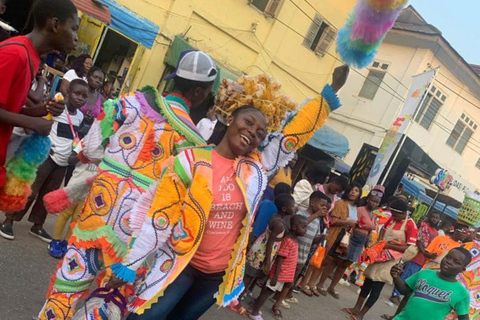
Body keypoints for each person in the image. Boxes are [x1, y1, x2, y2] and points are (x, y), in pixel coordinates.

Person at [104, 65, 349, 319]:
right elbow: (159, 217)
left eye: (259, 133)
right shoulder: (191, 161)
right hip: (180, 264)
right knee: (145, 317)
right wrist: (130, 265)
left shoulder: (257, 167)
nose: (252, 132)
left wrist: (329, 94)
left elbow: (293, 136)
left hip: (218, 275)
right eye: (248, 122)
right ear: (231, 118)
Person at [38, 50, 219, 319]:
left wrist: (115, 166)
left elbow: (91, 149)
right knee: (107, 301)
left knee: (66, 286)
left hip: (96, 213)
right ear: (200, 93)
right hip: (134, 232)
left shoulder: (128, 102)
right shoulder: (192, 142)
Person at [0, 0, 76, 191]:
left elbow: (11, 110)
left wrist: (41, 110)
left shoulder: (30, 56)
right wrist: (33, 123)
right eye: (74, 29)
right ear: (55, 24)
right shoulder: (15, 53)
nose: (76, 38)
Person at [0, 79, 87, 241]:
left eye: (84, 96)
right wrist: (43, 144)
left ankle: (37, 225)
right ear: (68, 93)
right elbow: (41, 123)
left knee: (49, 194)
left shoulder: (80, 116)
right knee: (31, 190)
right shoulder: (58, 107)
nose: (80, 98)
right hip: (48, 155)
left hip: (63, 160)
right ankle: (9, 220)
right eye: (77, 93)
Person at [342, 198, 418, 320]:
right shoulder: (393, 220)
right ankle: (356, 308)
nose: (393, 216)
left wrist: (388, 246)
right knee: (367, 281)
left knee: (377, 286)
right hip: (380, 254)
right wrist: (381, 242)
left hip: (391, 260)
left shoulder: (410, 224)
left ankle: (361, 314)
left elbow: (410, 247)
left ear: (403, 213)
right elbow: (383, 229)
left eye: (396, 214)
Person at [229, 194, 296, 315]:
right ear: (284, 209)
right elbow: (270, 243)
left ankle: (236, 297)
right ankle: (235, 299)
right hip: (263, 252)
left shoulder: (277, 219)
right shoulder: (279, 224)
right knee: (249, 276)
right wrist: (268, 262)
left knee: (250, 275)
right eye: (292, 206)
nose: (294, 208)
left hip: (262, 249)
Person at [302, 182, 367, 297]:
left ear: (359, 194)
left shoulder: (355, 209)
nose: (353, 192)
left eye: (356, 190)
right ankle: (304, 283)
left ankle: (312, 284)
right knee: (319, 259)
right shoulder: (340, 203)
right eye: (352, 189)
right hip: (334, 234)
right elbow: (333, 221)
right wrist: (349, 222)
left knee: (326, 262)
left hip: (344, 237)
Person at [249, 215, 308, 320]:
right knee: (267, 292)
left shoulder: (293, 240)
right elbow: (280, 258)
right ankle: (254, 312)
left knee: (268, 292)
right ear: (294, 227)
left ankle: (254, 308)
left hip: (283, 275)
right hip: (279, 274)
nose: (305, 230)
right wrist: (276, 276)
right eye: (303, 227)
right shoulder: (289, 240)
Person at [390, 247, 471, 320]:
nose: (449, 262)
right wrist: (396, 277)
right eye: (448, 257)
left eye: (456, 262)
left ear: (462, 270)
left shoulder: (462, 293)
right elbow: (405, 290)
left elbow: (464, 318)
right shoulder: (424, 273)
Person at [389, 211, 440, 305]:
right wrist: (425, 252)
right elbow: (419, 241)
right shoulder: (424, 226)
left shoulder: (436, 233)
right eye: (433, 217)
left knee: (413, 278)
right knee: (406, 275)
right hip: (417, 255)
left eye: (436, 218)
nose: (434, 219)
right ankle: (395, 294)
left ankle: (400, 295)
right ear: (429, 217)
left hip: (424, 259)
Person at [77, 66, 105, 137]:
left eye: (100, 79)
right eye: (95, 77)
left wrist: (93, 120)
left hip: (87, 135)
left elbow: (101, 120)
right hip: (72, 129)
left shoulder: (101, 99)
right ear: (88, 76)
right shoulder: (78, 90)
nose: (97, 81)